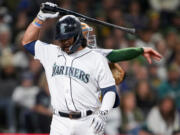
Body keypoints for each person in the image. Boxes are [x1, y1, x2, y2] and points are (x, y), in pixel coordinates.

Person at [21, 2, 120, 135]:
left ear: (78, 35)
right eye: (62, 39)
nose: (65, 42)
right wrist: (40, 17)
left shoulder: (96, 58)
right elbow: (27, 41)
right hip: (59, 122)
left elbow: (109, 90)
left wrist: (103, 114)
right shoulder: (52, 52)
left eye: (68, 38)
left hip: (88, 121)